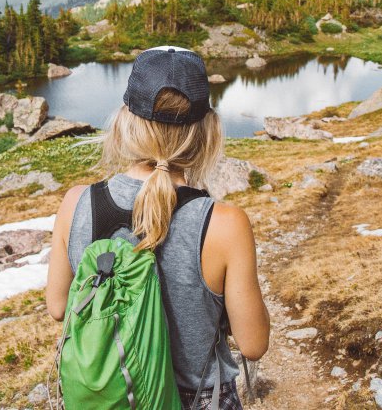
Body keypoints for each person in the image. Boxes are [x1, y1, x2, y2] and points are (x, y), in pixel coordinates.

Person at [46, 46, 270, 409]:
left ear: (125, 119)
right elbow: (254, 344)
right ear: (207, 130)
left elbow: (59, 306)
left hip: (113, 397)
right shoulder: (226, 224)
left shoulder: (76, 203)